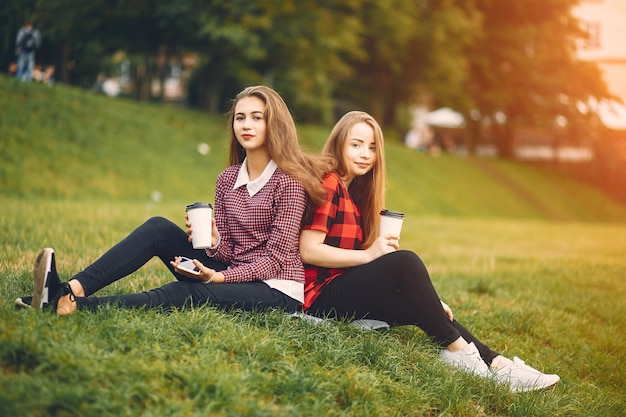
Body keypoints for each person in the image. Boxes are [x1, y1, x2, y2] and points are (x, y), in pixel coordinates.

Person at [298, 111, 560, 393]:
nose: (365, 154)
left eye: (372, 147)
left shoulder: (354, 192)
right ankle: (461, 356)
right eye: (356, 145)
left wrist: (429, 300)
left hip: (341, 292)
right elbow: (309, 250)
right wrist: (369, 255)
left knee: (424, 308)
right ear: (339, 144)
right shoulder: (329, 183)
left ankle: (500, 365)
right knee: (406, 261)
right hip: (319, 299)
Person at [17, 85, 327, 316]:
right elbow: (233, 251)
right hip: (235, 272)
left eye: (256, 118)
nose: (246, 125)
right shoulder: (227, 179)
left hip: (276, 289)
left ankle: (74, 306)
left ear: (274, 124)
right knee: (158, 229)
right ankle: (70, 289)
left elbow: (273, 260)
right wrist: (215, 245)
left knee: (184, 291)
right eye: (240, 117)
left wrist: (217, 277)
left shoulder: (289, 183)